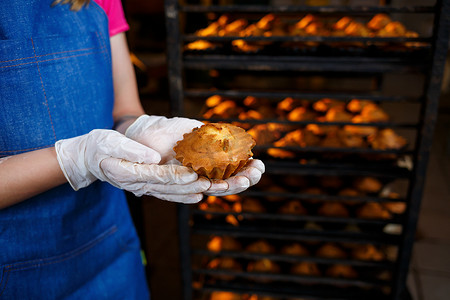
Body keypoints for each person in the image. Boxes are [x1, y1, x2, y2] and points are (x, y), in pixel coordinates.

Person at [0, 0, 265, 299]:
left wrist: (137, 129)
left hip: (111, 249)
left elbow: (124, 109)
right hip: (15, 272)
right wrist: (74, 159)